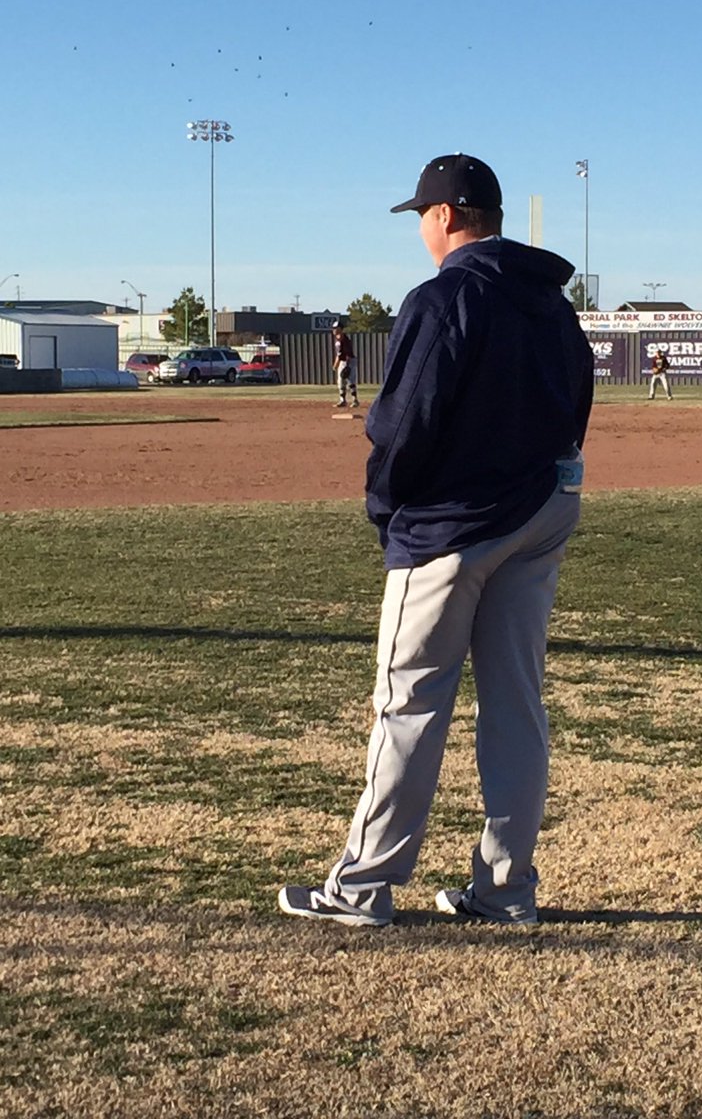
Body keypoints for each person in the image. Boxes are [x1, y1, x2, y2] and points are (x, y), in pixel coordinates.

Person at [278, 153, 594, 927]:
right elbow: (576, 402)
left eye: (422, 215)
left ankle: (361, 888)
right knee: (516, 704)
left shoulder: (445, 294)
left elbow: (402, 421)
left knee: (410, 703)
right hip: (540, 511)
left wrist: (388, 511)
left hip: (454, 526)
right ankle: (506, 890)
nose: (421, 229)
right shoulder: (550, 300)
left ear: (446, 215)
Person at [332, 319, 360, 407]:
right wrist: (336, 364)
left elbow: (347, 353)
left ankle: (355, 400)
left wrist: (347, 365)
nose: (334, 330)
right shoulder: (337, 339)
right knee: (340, 381)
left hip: (349, 360)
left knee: (350, 380)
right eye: (333, 328)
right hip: (343, 361)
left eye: (336, 328)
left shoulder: (344, 339)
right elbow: (339, 354)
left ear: (341, 329)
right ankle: (342, 400)